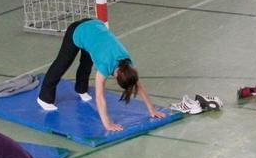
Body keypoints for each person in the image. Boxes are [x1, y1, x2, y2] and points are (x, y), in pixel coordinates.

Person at [36, 18, 166, 133]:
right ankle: (44, 98)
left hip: (95, 27)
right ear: (116, 77)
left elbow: (139, 86)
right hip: (77, 31)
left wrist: (152, 110)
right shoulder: (105, 65)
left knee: (87, 62)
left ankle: (81, 89)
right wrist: (108, 124)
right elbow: (99, 97)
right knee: (62, 64)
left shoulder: (128, 63)